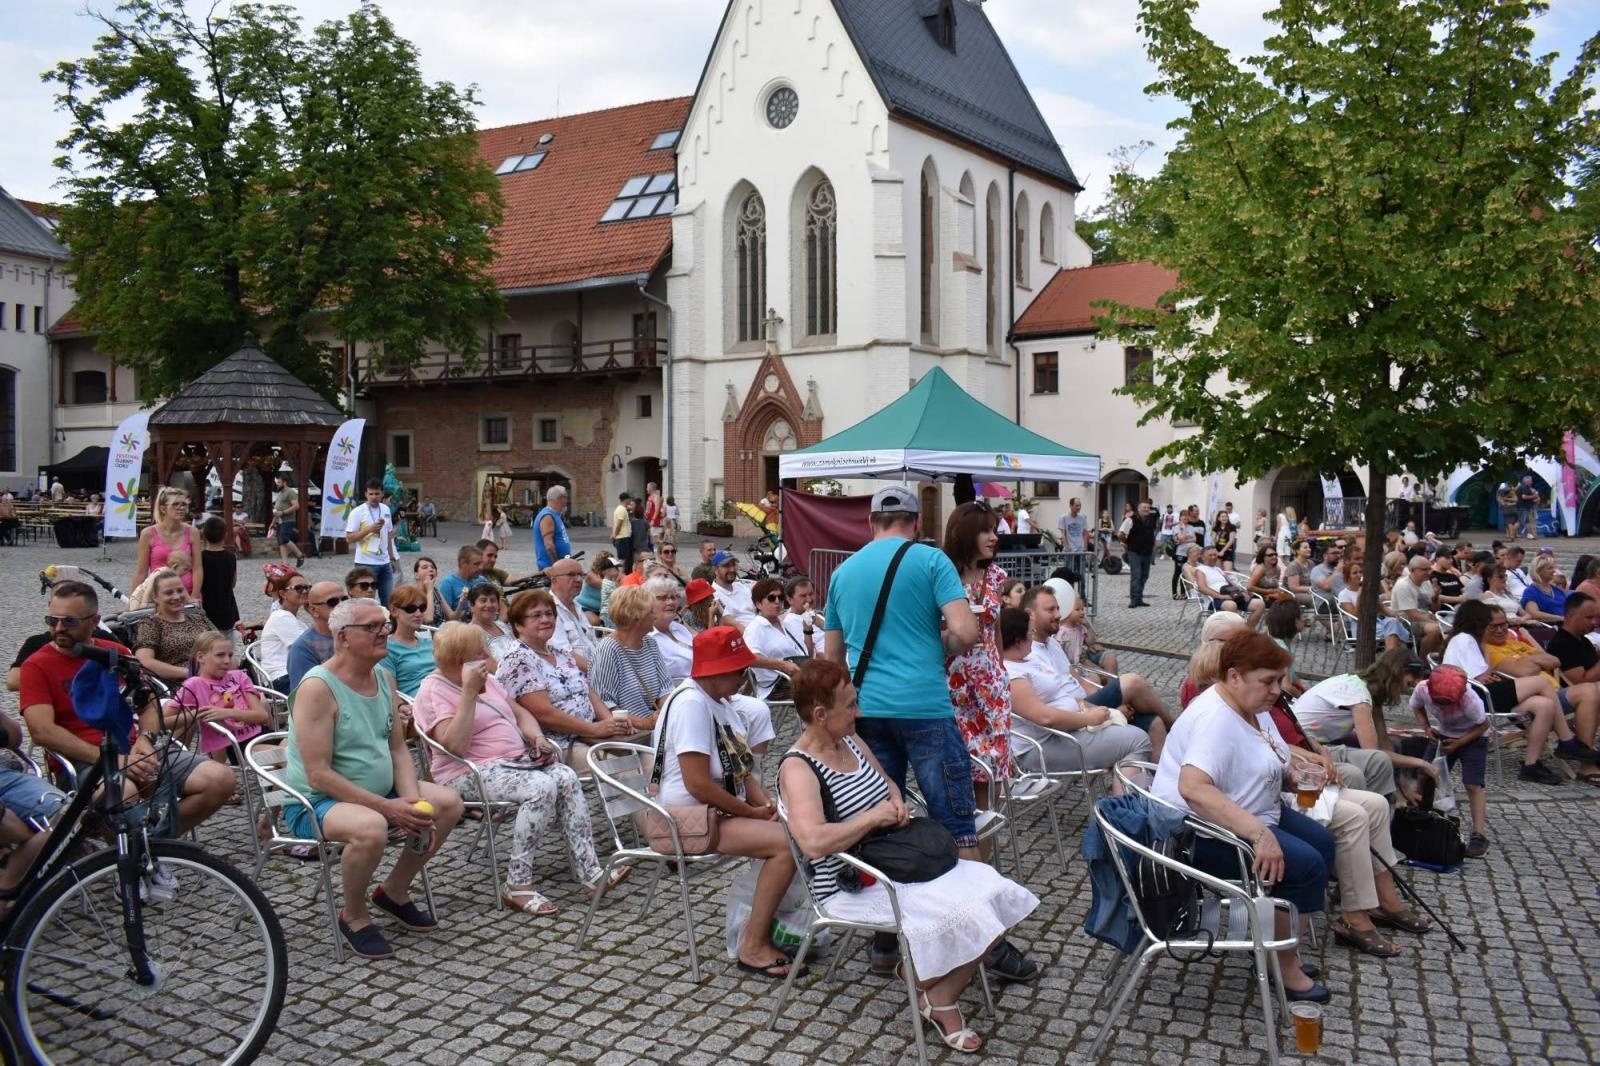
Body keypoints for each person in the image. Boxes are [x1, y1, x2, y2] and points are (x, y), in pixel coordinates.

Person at [823, 485, 1037, 982]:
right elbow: (965, 633)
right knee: (957, 824)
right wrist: (932, 640)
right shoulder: (930, 561)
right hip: (925, 706)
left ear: (870, 521)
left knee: (882, 822)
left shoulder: (843, 572)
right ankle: (990, 946)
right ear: (916, 521)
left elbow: (832, 659)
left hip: (869, 711)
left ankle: (883, 944)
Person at [779, 659, 1039, 1052]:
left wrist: (895, 802)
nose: (858, 713)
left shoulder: (849, 739)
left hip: (894, 860)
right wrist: (872, 819)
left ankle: (927, 978)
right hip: (853, 884)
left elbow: (886, 782)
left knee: (996, 893)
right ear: (819, 714)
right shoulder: (799, 768)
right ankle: (938, 998)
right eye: (849, 706)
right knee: (976, 914)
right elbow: (813, 843)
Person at [1152, 631, 1331, 1000]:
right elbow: (1194, 787)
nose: (1277, 690)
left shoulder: (1252, 708)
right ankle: (1282, 965)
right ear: (1234, 676)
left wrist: (1292, 777)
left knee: (1324, 844)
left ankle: (1280, 947)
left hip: (1248, 813)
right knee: (1306, 866)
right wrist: (1259, 834)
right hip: (1194, 835)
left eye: (1279, 680)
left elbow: (1267, 758)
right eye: (1268, 681)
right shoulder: (1216, 718)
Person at [282, 598, 463, 959]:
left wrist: (411, 802)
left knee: (447, 804)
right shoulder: (318, 688)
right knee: (371, 828)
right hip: (317, 801)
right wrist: (388, 808)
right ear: (344, 637)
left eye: (382, 623)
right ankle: (354, 915)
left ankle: (394, 891)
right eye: (372, 627)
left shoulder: (383, 676)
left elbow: (397, 748)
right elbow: (318, 774)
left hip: (379, 790)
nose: (384, 631)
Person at [412, 621, 616, 916]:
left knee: (566, 776)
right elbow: (454, 746)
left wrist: (537, 739)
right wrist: (469, 694)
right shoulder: (434, 690)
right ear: (459, 661)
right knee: (541, 788)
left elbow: (520, 713)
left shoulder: (488, 680)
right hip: (466, 772)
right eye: (478, 653)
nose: (486, 656)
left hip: (513, 761)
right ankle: (517, 884)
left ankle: (590, 872)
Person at [22, 580, 233, 838]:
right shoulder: (37, 665)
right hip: (83, 761)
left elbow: (147, 704)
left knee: (220, 780)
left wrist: (146, 739)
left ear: (93, 621)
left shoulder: (116, 653)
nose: (57, 628)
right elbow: (43, 732)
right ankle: (139, 857)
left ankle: (152, 848)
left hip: (134, 750)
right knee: (125, 792)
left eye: (69, 622)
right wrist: (113, 760)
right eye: (51, 620)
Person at [1444, 601, 1599, 784]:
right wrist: (1486, 674)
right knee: (1541, 682)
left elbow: (1483, 671)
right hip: (1475, 695)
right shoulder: (1464, 639)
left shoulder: (1475, 641)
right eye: (1489, 623)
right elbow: (1474, 675)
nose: (1496, 629)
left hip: (1483, 691)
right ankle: (1567, 740)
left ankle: (1530, 766)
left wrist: (1487, 669)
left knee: (1545, 705)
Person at [999, 606, 1152, 773]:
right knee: (1137, 740)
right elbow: (1045, 718)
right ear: (1018, 641)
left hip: (1065, 730)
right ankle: (1123, 798)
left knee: (1144, 729)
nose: (1033, 637)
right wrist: (1089, 718)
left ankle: (1134, 792)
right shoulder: (1010, 672)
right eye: (1030, 633)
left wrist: (1104, 711)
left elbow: (1065, 693)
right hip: (1040, 745)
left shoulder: (1028, 660)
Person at [1020, 586, 1171, 753]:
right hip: (1075, 715)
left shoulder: (1052, 643)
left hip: (1088, 704)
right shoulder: (1025, 653)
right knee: (1132, 682)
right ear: (1030, 614)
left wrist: (1113, 702)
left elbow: (1077, 679)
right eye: (1050, 610)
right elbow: (1055, 703)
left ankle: (1160, 778)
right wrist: (1111, 711)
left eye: (1058, 608)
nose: (1058, 614)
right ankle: (1179, 727)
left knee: (1155, 723)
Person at [497, 591, 634, 773]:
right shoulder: (518, 659)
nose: (546, 619)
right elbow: (544, 713)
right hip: (559, 743)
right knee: (623, 769)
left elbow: (587, 691)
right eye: (536, 615)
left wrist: (611, 723)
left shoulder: (559, 652)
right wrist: (592, 730)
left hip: (590, 733)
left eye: (549, 614)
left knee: (649, 757)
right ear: (518, 626)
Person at [940, 502, 1013, 800]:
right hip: (953, 684)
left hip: (991, 686)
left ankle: (984, 844)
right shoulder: (942, 573)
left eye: (994, 530)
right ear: (964, 533)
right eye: (985, 530)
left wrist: (1001, 669)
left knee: (989, 775)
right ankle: (958, 841)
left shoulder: (996, 575)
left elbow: (995, 627)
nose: (994, 537)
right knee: (956, 770)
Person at [1408, 665, 1491, 856]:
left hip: (1474, 737)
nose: (1443, 707)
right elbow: (1416, 707)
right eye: (1439, 703)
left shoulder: (1471, 702)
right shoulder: (1422, 689)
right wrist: (1427, 728)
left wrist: (1459, 743)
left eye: (1448, 703)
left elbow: (1484, 725)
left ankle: (1479, 834)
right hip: (1444, 733)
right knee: (1425, 773)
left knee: (1473, 784)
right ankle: (1418, 817)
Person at [591, 585, 674, 732]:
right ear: (637, 619)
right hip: (631, 733)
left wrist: (666, 713)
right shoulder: (608, 649)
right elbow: (605, 705)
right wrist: (645, 723)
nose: (655, 616)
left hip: (657, 727)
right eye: (651, 612)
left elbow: (665, 688)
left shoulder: (650, 643)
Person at [175, 632, 270, 760]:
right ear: (201, 657)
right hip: (237, 745)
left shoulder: (239, 676)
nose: (227, 661)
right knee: (287, 756)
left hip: (261, 735)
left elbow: (262, 716)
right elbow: (164, 721)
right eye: (220, 655)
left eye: (230, 655)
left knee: (296, 748)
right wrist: (196, 714)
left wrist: (226, 713)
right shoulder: (194, 685)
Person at [1542, 591, 1600, 787]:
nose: (1594, 623)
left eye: (1596, 617)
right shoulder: (1563, 643)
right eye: (1589, 617)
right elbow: (1581, 682)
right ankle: (1587, 761)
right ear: (1570, 616)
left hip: (1585, 694)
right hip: (1568, 698)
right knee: (1591, 692)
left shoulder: (1583, 641)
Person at [133, 570, 218, 682]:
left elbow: (225, 648)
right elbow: (144, 662)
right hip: (179, 687)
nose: (177, 596)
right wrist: (192, 673)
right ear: (155, 597)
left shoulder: (198, 618)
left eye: (180, 590)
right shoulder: (152, 623)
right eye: (169, 593)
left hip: (215, 680)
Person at [133, 486, 204, 597]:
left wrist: (194, 596)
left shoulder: (192, 532)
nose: (181, 508)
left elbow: (197, 568)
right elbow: (141, 572)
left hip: (188, 594)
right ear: (163, 509)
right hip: (161, 595)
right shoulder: (148, 534)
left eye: (184, 504)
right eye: (175, 504)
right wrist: (135, 599)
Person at [742, 577, 803, 700]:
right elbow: (750, 658)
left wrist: (808, 630)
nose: (777, 602)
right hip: (776, 684)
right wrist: (782, 665)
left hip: (796, 676)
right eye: (771, 598)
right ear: (758, 604)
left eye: (780, 598)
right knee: (824, 687)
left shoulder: (786, 624)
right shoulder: (755, 628)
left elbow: (806, 654)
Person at [256, 564, 309, 691]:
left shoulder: (291, 618)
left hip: (291, 674)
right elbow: (309, 650)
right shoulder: (282, 618)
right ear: (283, 593)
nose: (305, 591)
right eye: (298, 588)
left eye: (307, 588)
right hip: (282, 678)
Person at [1337, 561, 1411, 650]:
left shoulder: (1368, 591)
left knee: (1392, 622)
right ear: (1347, 577)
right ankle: (1393, 658)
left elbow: (1382, 608)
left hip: (1377, 623)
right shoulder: (1344, 594)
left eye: (1360, 572)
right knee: (1394, 634)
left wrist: (1397, 615)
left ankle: (1390, 657)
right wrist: (1360, 596)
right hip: (1361, 627)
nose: (1359, 575)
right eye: (1355, 573)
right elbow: (1355, 616)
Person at [345, 479, 397, 605]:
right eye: (371, 494)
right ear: (366, 494)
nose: (374, 497)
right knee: (365, 601)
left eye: (377, 494)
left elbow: (388, 535)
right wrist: (369, 529)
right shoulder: (357, 512)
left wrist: (392, 558)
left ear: (382, 494)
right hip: (365, 563)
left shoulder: (385, 509)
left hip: (385, 563)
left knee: (389, 601)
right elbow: (349, 538)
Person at [287, 581, 345, 690]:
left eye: (345, 600)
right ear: (313, 610)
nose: (341, 605)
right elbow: (303, 696)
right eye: (333, 602)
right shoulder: (303, 648)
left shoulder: (355, 634)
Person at [383, 585, 437, 699]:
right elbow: (392, 693)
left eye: (422, 608)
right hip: (416, 704)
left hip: (442, 695)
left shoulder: (429, 642)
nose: (418, 614)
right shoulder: (387, 648)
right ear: (394, 611)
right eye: (410, 609)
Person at [1193, 545, 1265, 627]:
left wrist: (1242, 592)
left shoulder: (1218, 569)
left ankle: (1247, 631)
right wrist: (1221, 596)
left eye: (1215, 555)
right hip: (1213, 600)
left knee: (1259, 604)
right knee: (1231, 605)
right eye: (1210, 555)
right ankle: (1232, 634)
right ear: (1203, 557)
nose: (1213, 557)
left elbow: (1231, 584)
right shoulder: (1200, 569)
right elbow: (1202, 588)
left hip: (1231, 596)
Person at [645, 576, 698, 683]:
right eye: (663, 598)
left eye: (674, 597)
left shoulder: (679, 627)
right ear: (648, 602)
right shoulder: (646, 638)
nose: (670, 602)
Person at [1390, 555, 1443, 658]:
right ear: (1412, 570)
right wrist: (1435, 622)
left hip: (1424, 618)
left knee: (1452, 628)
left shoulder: (1426, 582)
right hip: (1405, 621)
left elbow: (1435, 609)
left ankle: (1440, 661)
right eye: (1424, 569)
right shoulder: (1403, 585)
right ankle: (1422, 661)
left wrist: (1435, 597)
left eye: (1429, 569)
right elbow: (1412, 615)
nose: (1428, 572)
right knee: (1435, 629)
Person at [197, 515, 240, 636]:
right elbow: (233, 583)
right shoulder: (231, 556)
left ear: (204, 535)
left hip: (206, 607)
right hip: (227, 607)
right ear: (225, 534)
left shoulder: (200, 557)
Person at [1056, 597, 1118, 675]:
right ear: (1067, 612)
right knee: (1103, 675)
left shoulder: (1080, 627)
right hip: (1073, 664)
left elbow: (1090, 642)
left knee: (1108, 664)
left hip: (1082, 659)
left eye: (1082, 609)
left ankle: (1113, 684)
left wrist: (1088, 626)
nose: (1082, 612)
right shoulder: (1061, 631)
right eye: (1077, 610)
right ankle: (1110, 683)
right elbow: (1057, 651)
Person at [1123, 500, 1159, 608]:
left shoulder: (1151, 520)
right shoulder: (1130, 520)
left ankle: (1139, 598)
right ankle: (1133, 600)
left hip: (1147, 552)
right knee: (1136, 576)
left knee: (1144, 575)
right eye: (1144, 508)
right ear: (1138, 509)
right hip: (1134, 552)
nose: (1146, 509)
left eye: (1148, 508)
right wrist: (1126, 544)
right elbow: (1121, 533)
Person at [466, 584, 516, 659]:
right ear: (471, 605)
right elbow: (490, 666)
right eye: (483, 600)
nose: (489, 605)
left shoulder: (503, 626)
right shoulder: (470, 634)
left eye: (493, 600)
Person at [709, 550, 756, 628]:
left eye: (733, 565)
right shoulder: (713, 595)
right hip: (742, 634)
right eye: (726, 566)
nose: (732, 569)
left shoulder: (741, 586)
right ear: (715, 570)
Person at [532, 487, 573, 574]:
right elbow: (549, 545)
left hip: (560, 565)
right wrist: (556, 566)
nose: (567, 501)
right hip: (550, 569)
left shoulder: (555, 515)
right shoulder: (547, 516)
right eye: (566, 497)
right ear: (560, 498)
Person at [781, 577, 826, 655]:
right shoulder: (789, 623)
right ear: (789, 599)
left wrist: (817, 620)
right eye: (803, 596)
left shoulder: (816, 616)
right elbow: (809, 655)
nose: (809, 600)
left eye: (811, 594)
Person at [1519, 555, 1568, 625]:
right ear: (1539, 571)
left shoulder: (1557, 591)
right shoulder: (1531, 592)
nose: (1554, 570)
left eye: (1554, 567)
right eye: (1550, 568)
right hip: (1548, 628)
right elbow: (1533, 614)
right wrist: (1560, 618)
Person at [271, 474, 306, 564]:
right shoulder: (280, 493)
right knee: (281, 542)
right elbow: (277, 509)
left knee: (284, 539)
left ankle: (299, 554)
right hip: (280, 521)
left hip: (288, 520)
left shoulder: (290, 492)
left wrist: (283, 512)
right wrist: (273, 522)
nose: (277, 484)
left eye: (279, 482)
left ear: (285, 483)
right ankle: (285, 563)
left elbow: (296, 506)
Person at [610, 493, 635, 572]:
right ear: (626, 499)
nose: (630, 500)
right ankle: (620, 574)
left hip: (624, 537)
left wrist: (613, 534)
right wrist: (614, 535)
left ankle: (623, 573)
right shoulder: (621, 510)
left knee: (625, 558)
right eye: (629, 499)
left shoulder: (622, 509)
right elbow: (618, 524)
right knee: (623, 559)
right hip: (622, 537)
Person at [1515, 475, 1540, 539]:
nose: (1532, 482)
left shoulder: (1523, 487)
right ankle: (1512, 534)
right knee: (1520, 521)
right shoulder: (1524, 487)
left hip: (1524, 507)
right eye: (1531, 481)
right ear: (1527, 481)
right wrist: (1534, 496)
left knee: (1527, 521)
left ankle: (1529, 535)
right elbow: (1524, 496)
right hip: (1523, 507)